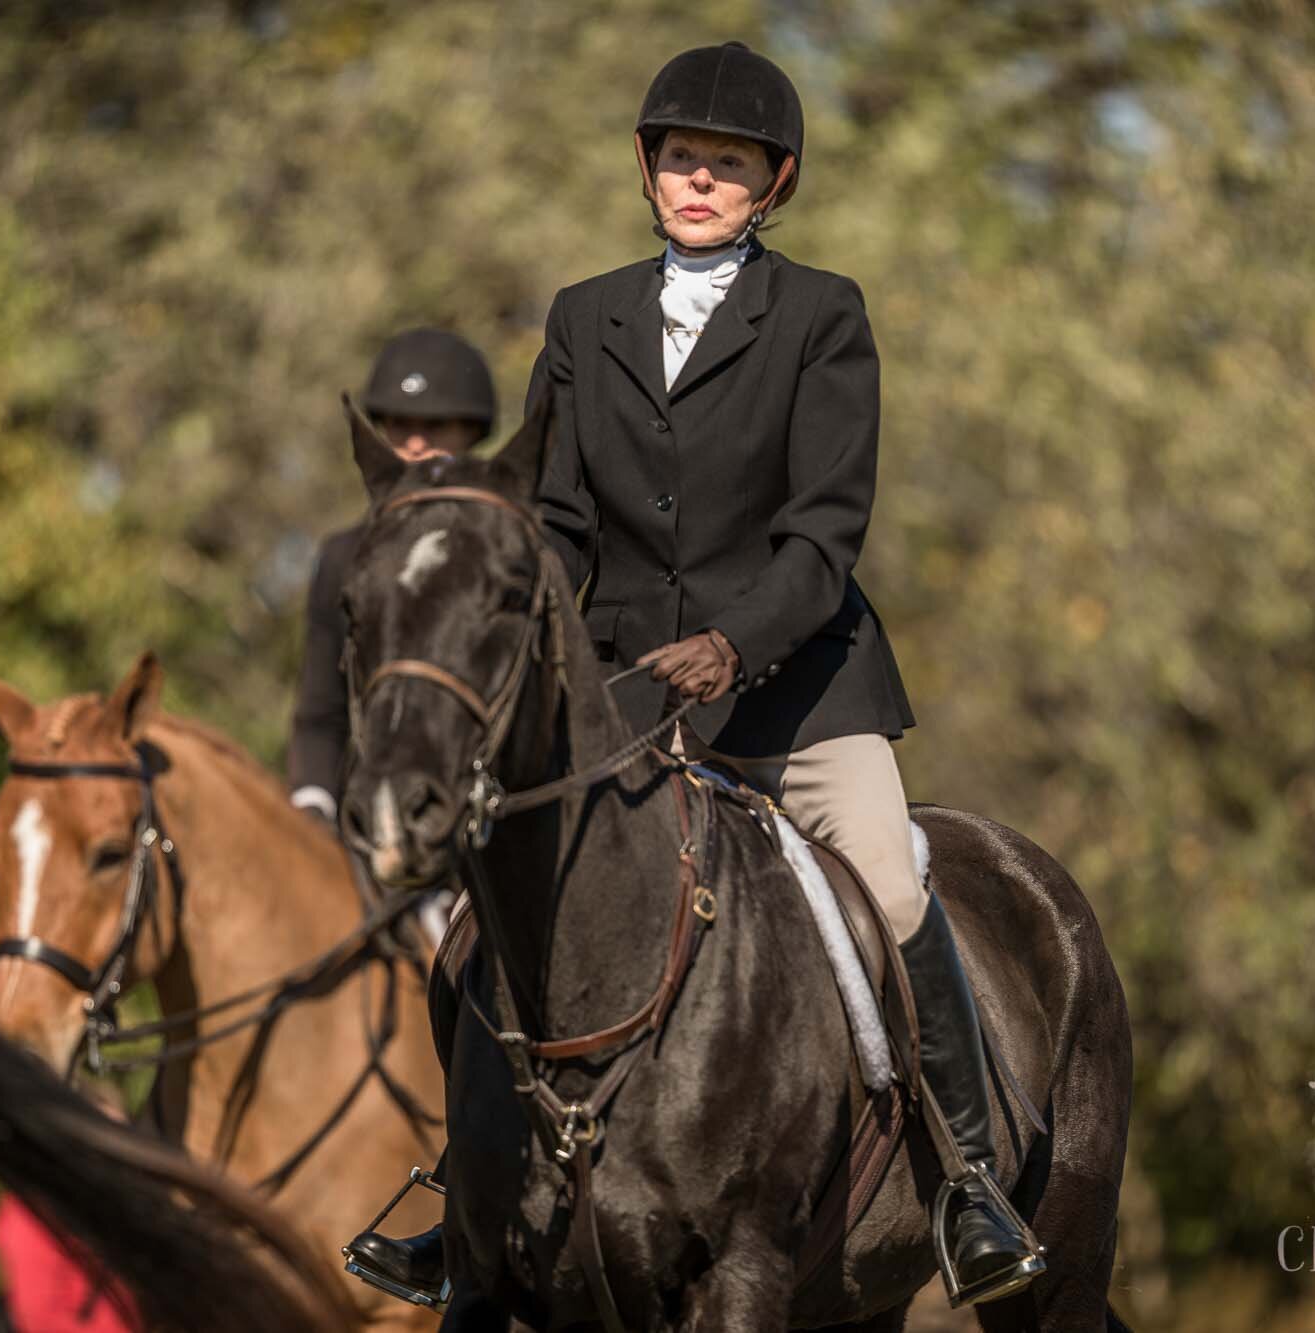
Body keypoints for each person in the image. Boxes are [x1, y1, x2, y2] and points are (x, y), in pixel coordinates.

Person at [348, 42, 1043, 1306]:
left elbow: (824, 532)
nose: (700, 181)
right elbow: (556, 524)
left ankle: (966, 1180)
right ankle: (468, 1195)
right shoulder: (583, 314)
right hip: (620, 701)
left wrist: (734, 640)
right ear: (647, 168)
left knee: (888, 882)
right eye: (682, 159)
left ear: (771, 184)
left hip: (795, 690)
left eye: (727, 165)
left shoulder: (822, 315)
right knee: (471, 929)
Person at [288, 328, 497, 832]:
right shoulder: (343, 558)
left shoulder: (507, 550)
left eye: (437, 426)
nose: (417, 444)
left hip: (493, 813)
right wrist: (312, 807)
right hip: (374, 815)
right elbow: (321, 711)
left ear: (472, 433)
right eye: (400, 427)